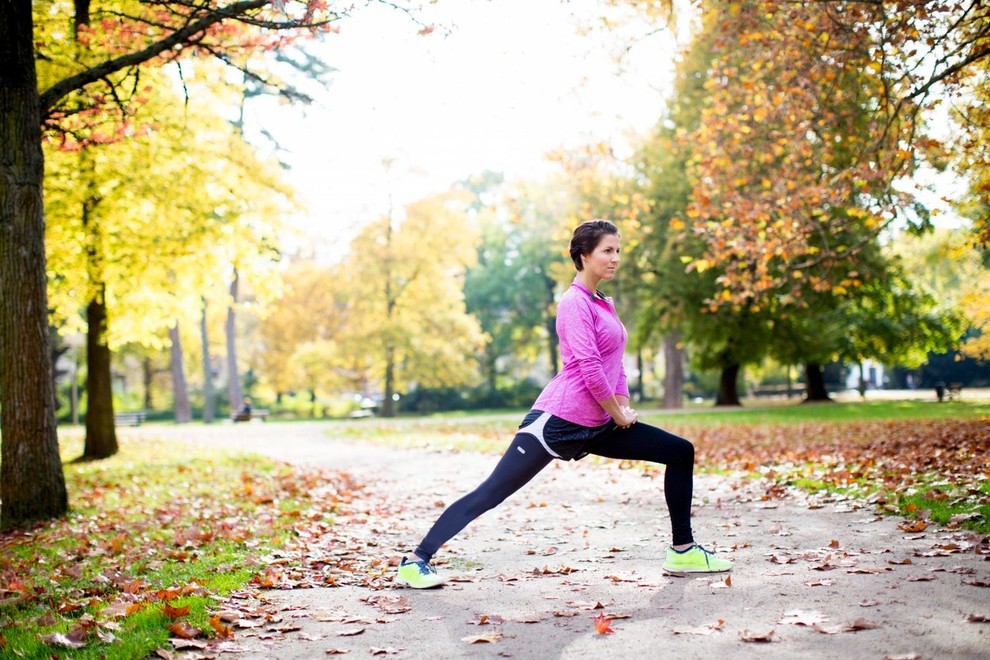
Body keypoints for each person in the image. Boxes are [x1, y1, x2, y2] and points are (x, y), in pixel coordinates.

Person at [395, 219, 733, 589]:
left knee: (679, 451)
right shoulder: (573, 302)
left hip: (599, 422)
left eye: (618, 250)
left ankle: (683, 551)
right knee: (491, 492)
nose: (615, 258)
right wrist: (617, 412)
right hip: (558, 420)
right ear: (584, 255)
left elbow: (614, 361)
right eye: (607, 250)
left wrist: (622, 406)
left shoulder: (603, 303)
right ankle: (415, 560)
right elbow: (588, 366)